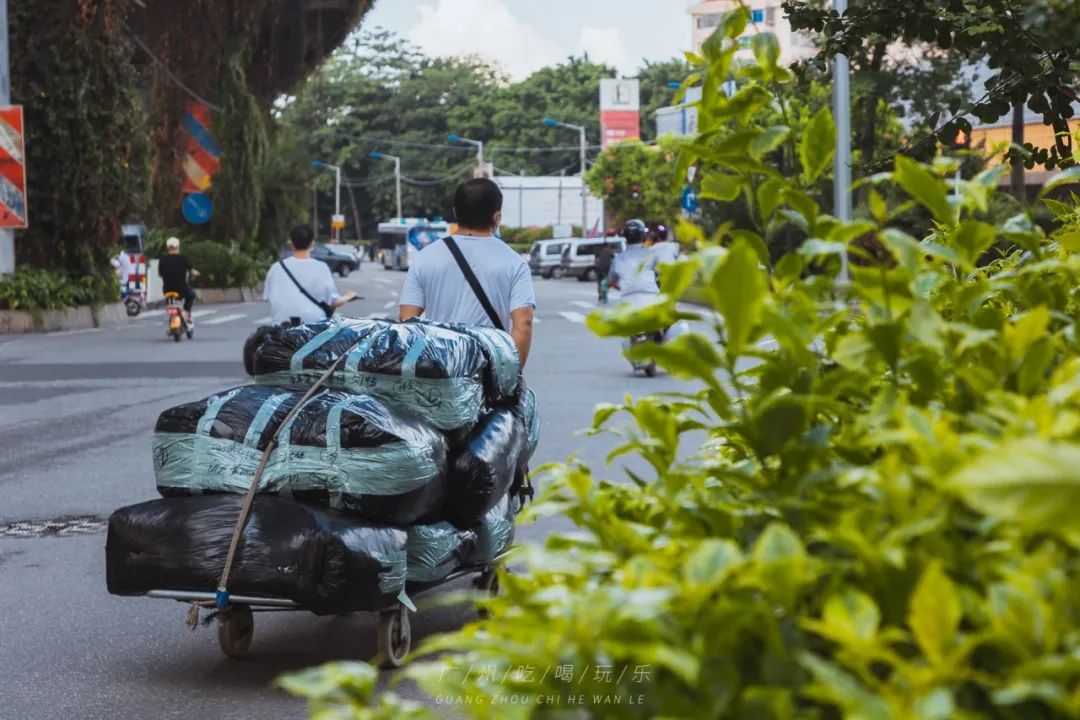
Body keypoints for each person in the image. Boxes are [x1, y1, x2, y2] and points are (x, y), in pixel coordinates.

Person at [399, 178, 536, 368]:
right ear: (497, 218)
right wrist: (511, 378)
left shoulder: (425, 257)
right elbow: (524, 324)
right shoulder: (515, 262)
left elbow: (407, 321)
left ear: (456, 213)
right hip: (489, 373)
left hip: (441, 371)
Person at [263, 224, 357, 326]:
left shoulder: (276, 268)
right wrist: (349, 296)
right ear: (312, 243)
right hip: (312, 328)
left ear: (291, 243)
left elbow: (269, 297)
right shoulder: (321, 268)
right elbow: (333, 302)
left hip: (281, 329)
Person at [158, 237, 199, 323]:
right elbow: (192, 271)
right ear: (178, 247)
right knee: (191, 295)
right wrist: (196, 273)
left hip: (167, 289)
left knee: (169, 300)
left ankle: (173, 308)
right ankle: (187, 313)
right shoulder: (183, 259)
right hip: (181, 288)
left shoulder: (162, 260)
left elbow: (160, 274)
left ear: (168, 248)